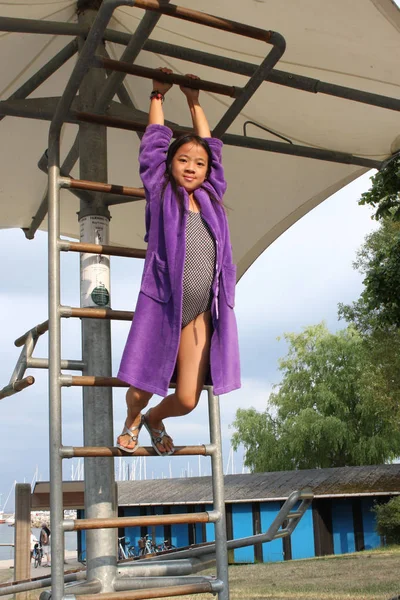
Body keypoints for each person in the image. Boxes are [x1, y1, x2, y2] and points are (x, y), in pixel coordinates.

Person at [116, 68, 241, 455]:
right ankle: (134, 417)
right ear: (171, 165)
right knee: (139, 387)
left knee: (188, 398)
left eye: (198, 164)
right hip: (164, 303)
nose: (191, 167)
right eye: (183, 160)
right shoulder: (161, 192)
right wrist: (158, 96)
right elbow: (153, 146)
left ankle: (156, 418)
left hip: (201, 311)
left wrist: (194, 100)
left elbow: (213, 150)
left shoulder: (211, 198)